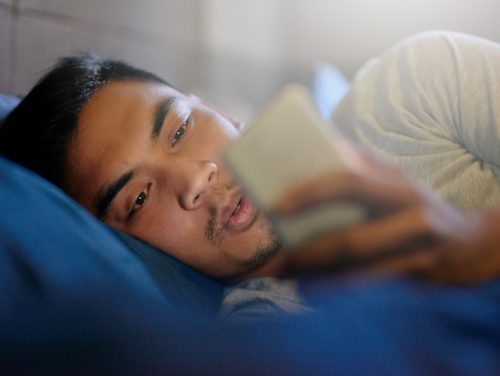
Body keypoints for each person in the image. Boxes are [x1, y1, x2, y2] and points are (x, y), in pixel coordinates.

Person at [0, 31, 499, 288]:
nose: (196, 179)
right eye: (139, 198)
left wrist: (468, 247)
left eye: (179, 128)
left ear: (218, 110)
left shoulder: (413, 89)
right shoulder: (268, 337)